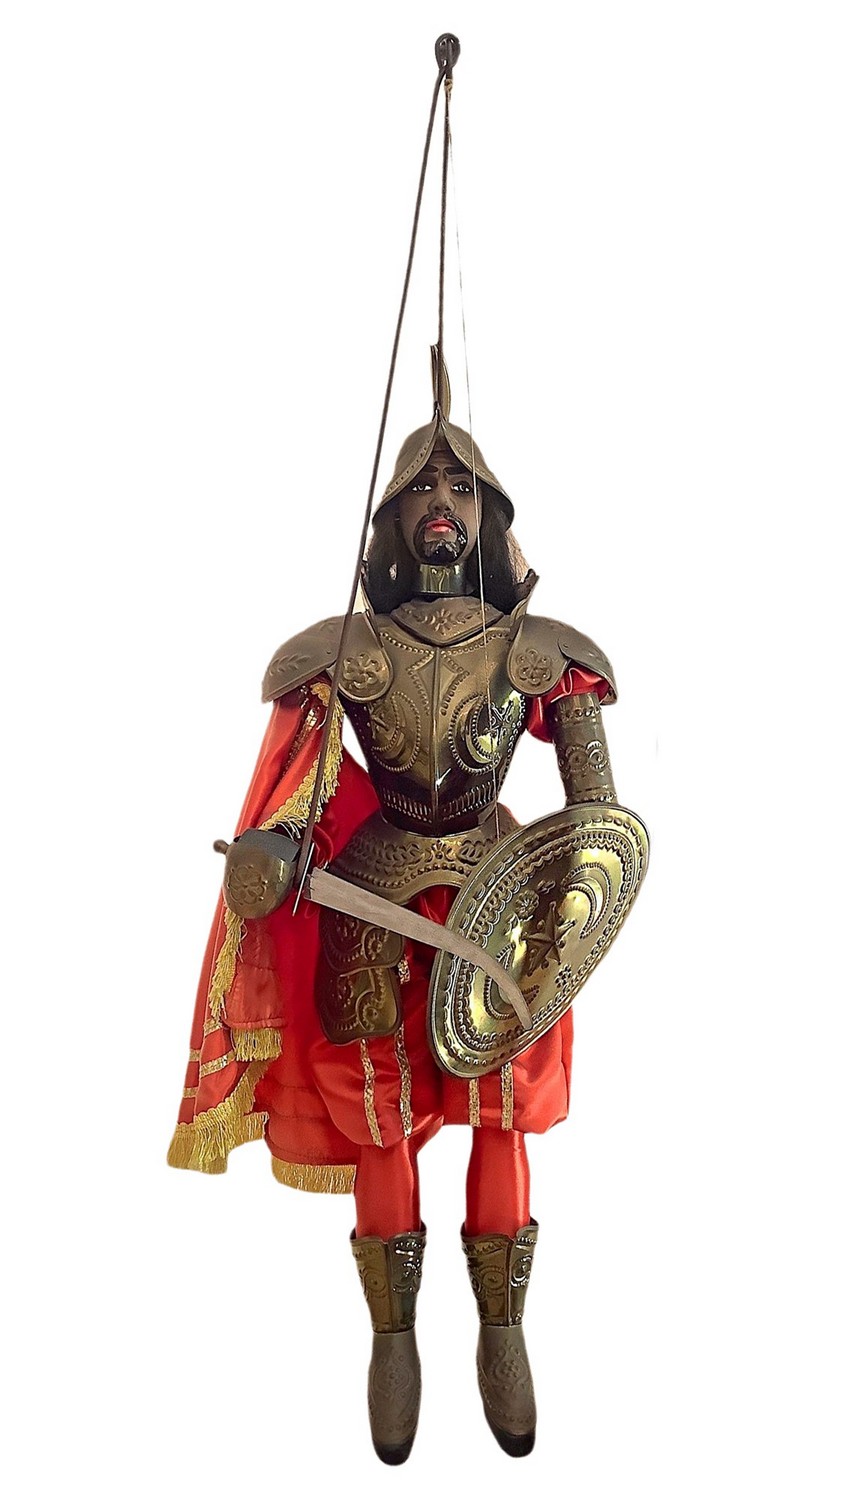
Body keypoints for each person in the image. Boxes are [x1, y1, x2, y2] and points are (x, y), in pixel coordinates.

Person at [168, 402, 620, 1464]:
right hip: (371, 900)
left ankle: (502, 1328)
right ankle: (393, 1337)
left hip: (497, 903)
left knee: (499, 1116)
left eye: (459, 487)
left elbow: (597, 813)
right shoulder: (345, 652)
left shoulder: (541, 652)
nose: (440, 505)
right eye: (420, 488)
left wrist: (567, 905)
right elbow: (301, 783)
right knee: (380, 1118)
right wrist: (275, 850)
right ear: (390, 522)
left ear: (491, 514)